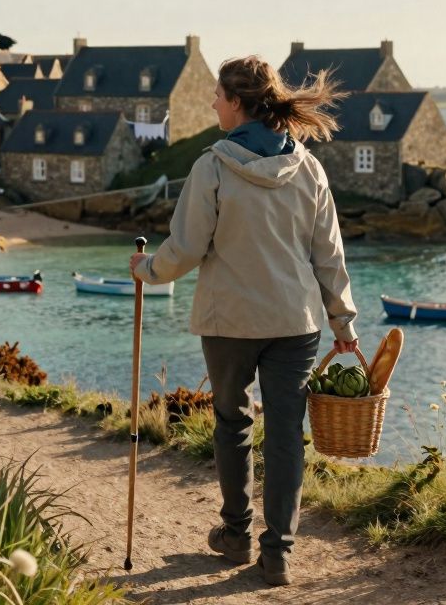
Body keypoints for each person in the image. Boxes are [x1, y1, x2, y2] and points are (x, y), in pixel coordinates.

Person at [130, 55, 358, 587]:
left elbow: (186, 248)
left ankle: (235, 535)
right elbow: (329, 255)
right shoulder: (308, 168)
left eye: (217, 95)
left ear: (236, 102)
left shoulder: (212, 166)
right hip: (296, 321)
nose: (212, 102)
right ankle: (277, 554)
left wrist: (147, 269)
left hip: (228, 320)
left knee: (233, 423)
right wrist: (343, 322)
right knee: (285, 434)